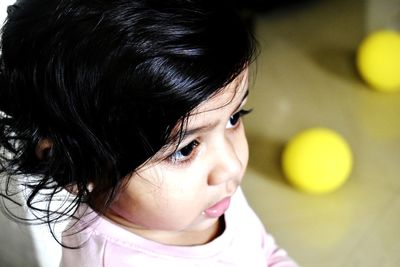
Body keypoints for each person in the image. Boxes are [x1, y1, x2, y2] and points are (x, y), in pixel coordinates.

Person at [0, 0, 299, 266]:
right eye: (185, 149)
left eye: (234, 117)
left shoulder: (210, 191)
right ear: (74, 163)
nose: (231, 165)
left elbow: (261, 250)